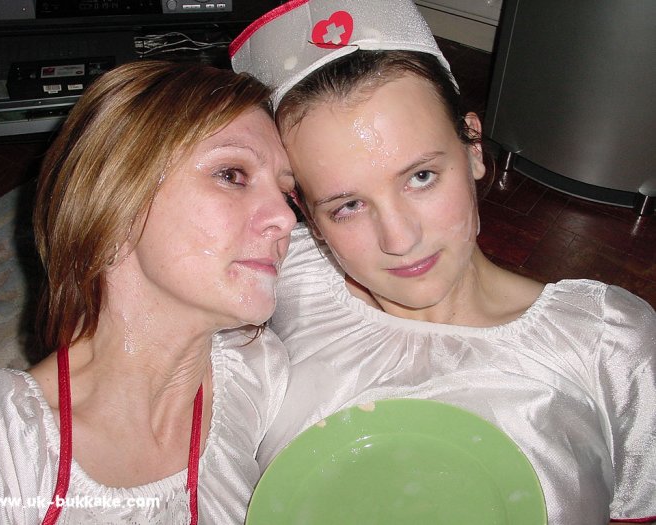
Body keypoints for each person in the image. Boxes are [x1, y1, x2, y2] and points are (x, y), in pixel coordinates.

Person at [230, 1, 656, 523]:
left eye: (421, 177)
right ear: (309, 217)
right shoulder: (286, 277)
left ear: (473, 146)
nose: (400, 239)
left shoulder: (608, 345)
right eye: (348, 205)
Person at [0, 60, 297, 524]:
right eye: (232, 174)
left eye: (287, 192)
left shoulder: (257, 376)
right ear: (115, 199)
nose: (285, 218)